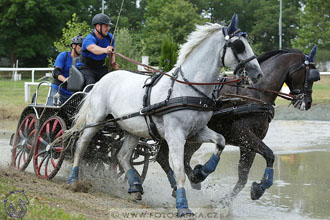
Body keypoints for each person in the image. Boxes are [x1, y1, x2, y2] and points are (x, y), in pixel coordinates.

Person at [77, 13, 119, 92]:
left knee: (111, 84)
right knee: (91, 86)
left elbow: (111, 52)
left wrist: (113, 63)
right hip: (87, 68)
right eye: (105, 26)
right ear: (97, 26)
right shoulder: (89, 38)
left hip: (100, 68)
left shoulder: (110, 38)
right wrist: (105, 50)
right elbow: (93, 48)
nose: (108, 28)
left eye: (108, 26)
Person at [47, 34, 84, 105]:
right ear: (73, 46)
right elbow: (56, 72)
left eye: (84, 46)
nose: (82, 48)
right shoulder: (64, 55)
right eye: (80, 45)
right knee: (51, 112)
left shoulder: (82, 60)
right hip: (58, 89)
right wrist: (65, 80)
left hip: (72, 92)